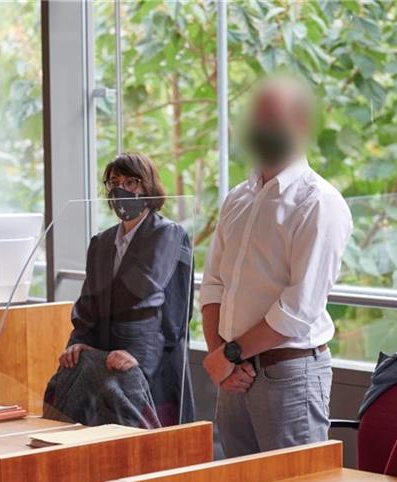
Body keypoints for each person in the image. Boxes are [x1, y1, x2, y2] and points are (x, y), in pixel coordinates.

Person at [200, 77, 353, 456]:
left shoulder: (319, 203)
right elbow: (213, 285)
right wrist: (221, 356)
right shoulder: (238, 198)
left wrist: (229, 355)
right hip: (233, 378)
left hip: (289, 376)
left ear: (299, 124)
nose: (261, 128)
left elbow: (297, 312)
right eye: (257, 119)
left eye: (272, 118)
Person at [53, 152, 194, 427]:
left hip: (152, 365)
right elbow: (88, 303)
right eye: (114, 182)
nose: (122, 189)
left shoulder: (168, 234)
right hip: (105, 365)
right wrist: (79, 344)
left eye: (131, 182)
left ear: (148, 185)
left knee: (153, 449)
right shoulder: (101, 242)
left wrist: (139, 353)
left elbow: (171, 310)